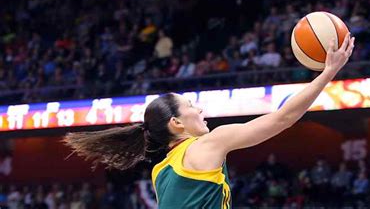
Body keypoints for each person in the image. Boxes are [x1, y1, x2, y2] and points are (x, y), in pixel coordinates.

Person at [64, 34, 355, 208]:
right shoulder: (208, 145)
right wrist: (328, 73)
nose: (200, 109)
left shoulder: (160, 171)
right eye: (191, 105)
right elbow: (284, 117)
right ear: (176, 123)